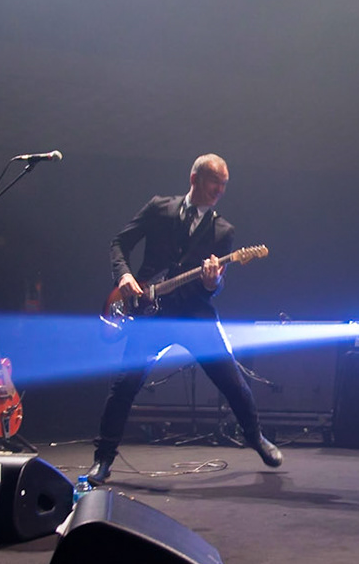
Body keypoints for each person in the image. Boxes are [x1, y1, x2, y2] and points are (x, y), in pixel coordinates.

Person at [81, 155, 282, 484]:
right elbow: (119, 243)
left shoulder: (223, 230)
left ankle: (255, 437)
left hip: (194, 316)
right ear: (194, 179)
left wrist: (212, 282)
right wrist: (124, 276)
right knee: (124, 385)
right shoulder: (159, 208)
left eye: (224, 184)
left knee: (232, 381)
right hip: (150, 312)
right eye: (214, 181)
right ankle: (103, 459)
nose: (219, 190)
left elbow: (214, 288)